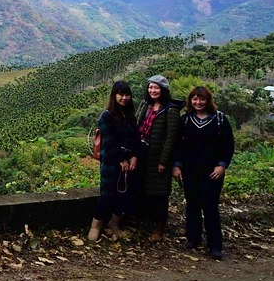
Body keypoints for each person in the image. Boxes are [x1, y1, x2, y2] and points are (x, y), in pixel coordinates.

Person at [173, 85, 235, 260]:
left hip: (211, 171)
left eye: (201, 99)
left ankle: (215, 245)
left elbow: (228, 145)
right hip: (190, 169)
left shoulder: (219, 120)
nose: (198, 102)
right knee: (192, 204)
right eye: (195, 99)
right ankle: (193, 239)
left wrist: (222, 165)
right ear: (190, 101)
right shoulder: (186, 120)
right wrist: (176, 165)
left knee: (210, 206)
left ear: (208, 101)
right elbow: (178, 145)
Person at [88, 81, 139, 242]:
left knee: (124, 194)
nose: (124, 98)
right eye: (120, 94)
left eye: (126, 94)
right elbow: (109, 141)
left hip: (128, 162)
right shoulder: (107, 116)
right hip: (111, 162)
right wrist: (121, 159)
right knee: (107, 194)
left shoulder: (130, 116)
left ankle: (113, 223)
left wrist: (134, 156)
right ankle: (95, 225)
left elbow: (135, 139)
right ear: (114, 95)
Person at [134, 74, 181, 242]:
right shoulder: (147, 106)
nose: (153, 90)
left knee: (160, 193)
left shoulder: (171, 110)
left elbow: (171, 138)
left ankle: (160, 228)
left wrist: (164, 161)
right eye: (150, 87)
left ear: (163, 90)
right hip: (143, 155)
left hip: (158, 158)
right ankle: (144, 222)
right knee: (143, 189)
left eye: (156, 88)